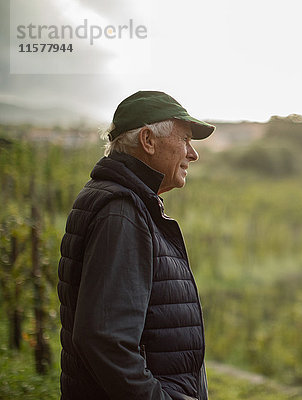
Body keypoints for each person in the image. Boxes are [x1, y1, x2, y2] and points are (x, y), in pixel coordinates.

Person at [57, 91, 215, 400]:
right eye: (185, 139)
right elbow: (104, 340)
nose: (193, 154)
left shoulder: (125, 201)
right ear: (148, 140)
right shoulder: (122, 210)